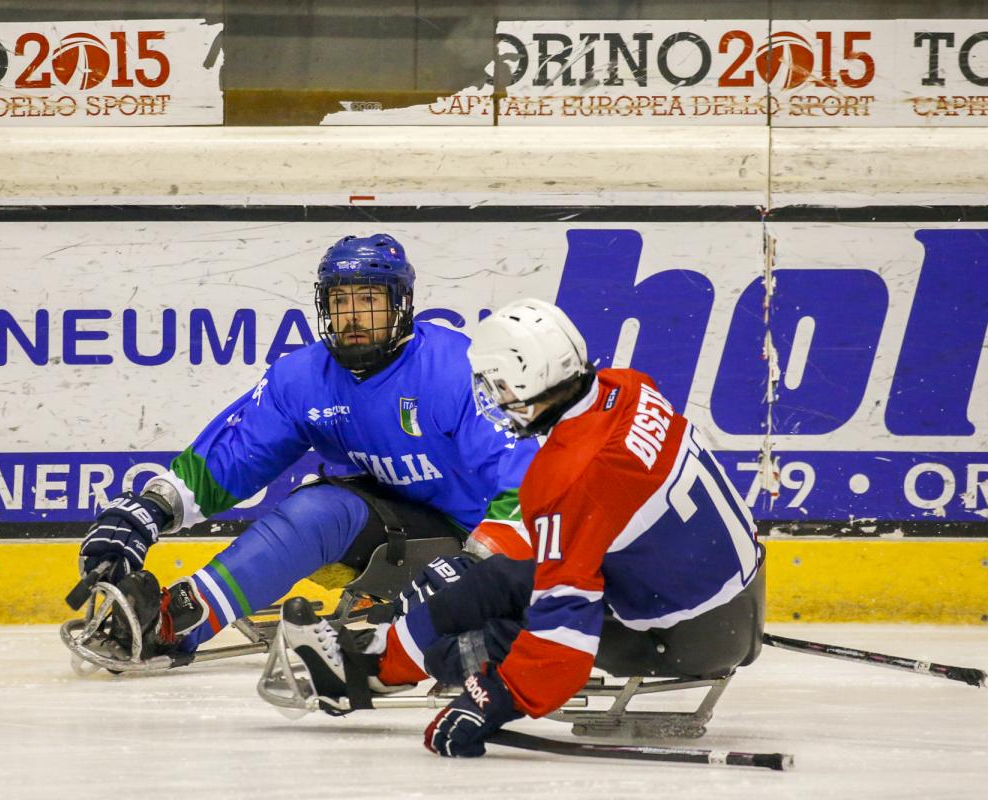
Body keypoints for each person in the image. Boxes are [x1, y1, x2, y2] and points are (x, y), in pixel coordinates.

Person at [278, 297, 766, 757]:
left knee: (480, 640)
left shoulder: (565, 480)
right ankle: (374, 659)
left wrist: (493, 700)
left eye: (498, 385)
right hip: (741, 598)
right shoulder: (630, 387)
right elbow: (605, 515)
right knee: (493, 579)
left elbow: (563, 647)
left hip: (681, 639)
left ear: (530, 380)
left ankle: (383, 668)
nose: (494, 398)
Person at [75, 234, 537, 662]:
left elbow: (529, 484)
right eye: (339, 300)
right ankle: (173, 621)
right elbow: (235, 455)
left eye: (369, 299)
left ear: (403, 305)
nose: (352, 316)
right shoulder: (302, 378)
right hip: (412, 524)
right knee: (317, 510)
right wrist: (150, 509)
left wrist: (476, 571)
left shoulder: (458, 368)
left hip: (498, 538)